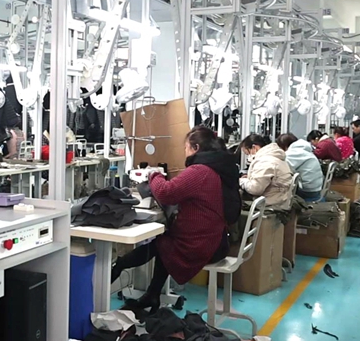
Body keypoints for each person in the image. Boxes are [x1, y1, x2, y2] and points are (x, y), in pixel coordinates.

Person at [110, 126, 241, 312]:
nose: (184, 152)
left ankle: (119, 267)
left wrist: (153, 174)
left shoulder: (200, 171)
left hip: (203, 246)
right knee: (164, 242)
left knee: (162, 244)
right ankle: (152, 294)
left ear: (195, 148)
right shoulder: (219, 167)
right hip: (216, 240)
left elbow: (165, 193)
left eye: (186, 148)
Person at [239, 134, 293, 210]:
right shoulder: (274, 157)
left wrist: (241, 181)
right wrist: (250, 178)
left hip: (271, 205)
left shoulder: (265, 161)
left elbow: (255, 189)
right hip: (280, 199)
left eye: (247, 153)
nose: (248, 157)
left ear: (254, 147)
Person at [276, 133, 324, 200]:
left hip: (307, 191)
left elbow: (280, 167)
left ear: (285, 146)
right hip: (316, 188)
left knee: (277, 190)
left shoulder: (293, 152)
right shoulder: (303, 149)